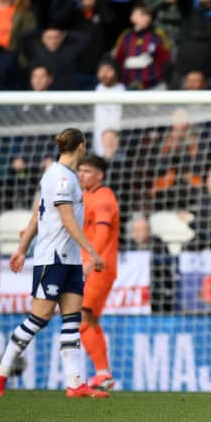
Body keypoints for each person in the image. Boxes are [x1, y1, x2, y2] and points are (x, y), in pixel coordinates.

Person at [0, 128, 108, 398]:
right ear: (81, 146)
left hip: (70, 260)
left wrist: (21, 249)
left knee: (71, 319)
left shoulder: (57, 175)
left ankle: (75, 384)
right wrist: (92, 251)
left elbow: (36, 215)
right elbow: (67, 221)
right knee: (39, 318)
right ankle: (0, 376)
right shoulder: (62, 178)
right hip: (53, 258)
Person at [77, 154, 120, 391]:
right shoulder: (86, 196)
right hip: (91, 266)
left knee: (80, 317)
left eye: (87, 171)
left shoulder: (104, 198)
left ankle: (103, 373)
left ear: (99, 175)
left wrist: (92, 260)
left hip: (99, 268)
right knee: (90, 320)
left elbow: (103, 233)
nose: (82, 174)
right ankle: (104, 374)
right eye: (80, 170)